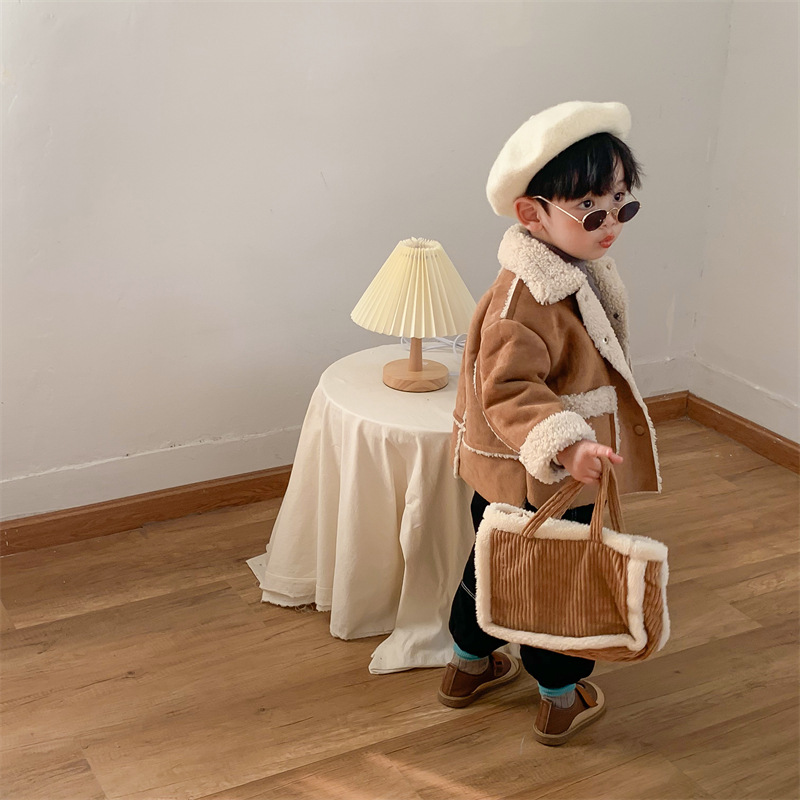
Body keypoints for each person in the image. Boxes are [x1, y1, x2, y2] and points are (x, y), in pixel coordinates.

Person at [438, 101, 660, 746]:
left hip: (514, 475)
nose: (610, 221)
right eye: (590, 208)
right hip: (546, 474)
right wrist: (567, 448)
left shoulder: (570, 273)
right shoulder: (525, 298)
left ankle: (468, 666)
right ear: (532, 214)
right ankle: (560, 698)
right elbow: (508, 389)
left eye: (620, 201)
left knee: (493, 565)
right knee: (557, 583)